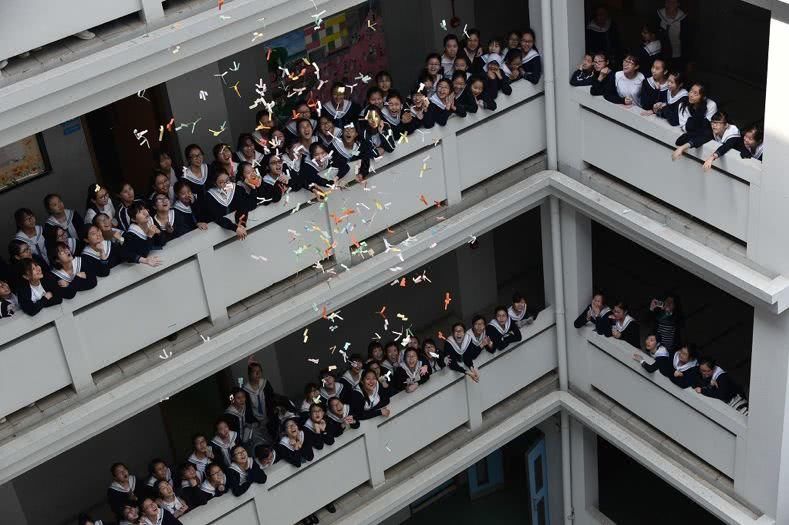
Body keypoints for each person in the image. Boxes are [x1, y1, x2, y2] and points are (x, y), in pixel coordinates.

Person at [672, 82, 716, 161]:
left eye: (696, 93)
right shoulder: (683, 105)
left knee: (707, 133)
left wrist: (700, 110)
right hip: (695, 135)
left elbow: (707, 128)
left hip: (703, 137)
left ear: (703, 97)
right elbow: (686, 128)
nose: (691, 95)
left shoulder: (711, 105)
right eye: (691, 91)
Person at [203, 167, 249, 240]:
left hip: (240, 228)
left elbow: (243, 207)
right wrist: (235, 228)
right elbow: (217, 217)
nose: (226, 184)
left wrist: (242, 224)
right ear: (215, 183)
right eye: (221, 182)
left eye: (227, 180)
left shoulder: (237, 189)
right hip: (221, 235)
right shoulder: (210, 196)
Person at [225, 387, 267, 451]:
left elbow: (251, 418)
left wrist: (253, 424)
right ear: (233, 399)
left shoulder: (245, 407)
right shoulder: (229, 415)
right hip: (235, 441)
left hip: (246, 435)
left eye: (243, 397)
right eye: (238, 398)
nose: (242, 400)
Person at [121, 202, 163, 266]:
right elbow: (144, 254)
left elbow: (163, 242)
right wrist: (150, 236)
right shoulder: (130, 235)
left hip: (158, 258)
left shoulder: (151, 221)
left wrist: (159, 233)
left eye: (144, 209)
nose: (145, 212)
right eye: (140, 212)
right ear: (134, 219)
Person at [657, 0, 693, 71]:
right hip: (660, 53)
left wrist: (689, 61)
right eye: (668, 1)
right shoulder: (658, 15)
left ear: (678, 4)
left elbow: (688, 41)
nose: (670, 4)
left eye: (673, 2)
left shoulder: (684, 18)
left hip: (678, 54)